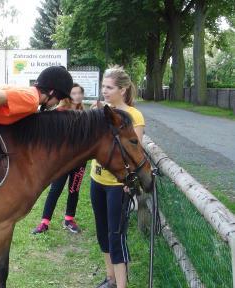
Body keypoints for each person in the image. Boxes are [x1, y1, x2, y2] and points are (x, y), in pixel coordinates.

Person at [90, 66, 145, 288]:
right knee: (102, 233)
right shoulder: (103, 111)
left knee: (116, 236)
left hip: (118, 186)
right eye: (103, 86)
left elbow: (135, 151)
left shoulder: (133, 115)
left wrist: (130, 182)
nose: (104, 90)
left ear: (122, 90)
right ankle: (110, 278)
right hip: (97, 180)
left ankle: (122, 285)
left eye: (109, 87)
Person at [31, 83, 87, 234]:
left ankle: (69, 220)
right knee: (55, 189)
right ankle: (44, 223)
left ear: (82, 95)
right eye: (73, 93)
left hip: (80, 161)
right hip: (63, 161)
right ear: (69, 95)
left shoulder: (85, 113)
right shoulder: (60, 112)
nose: (77, 96)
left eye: (79, 93)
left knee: (74, 190)